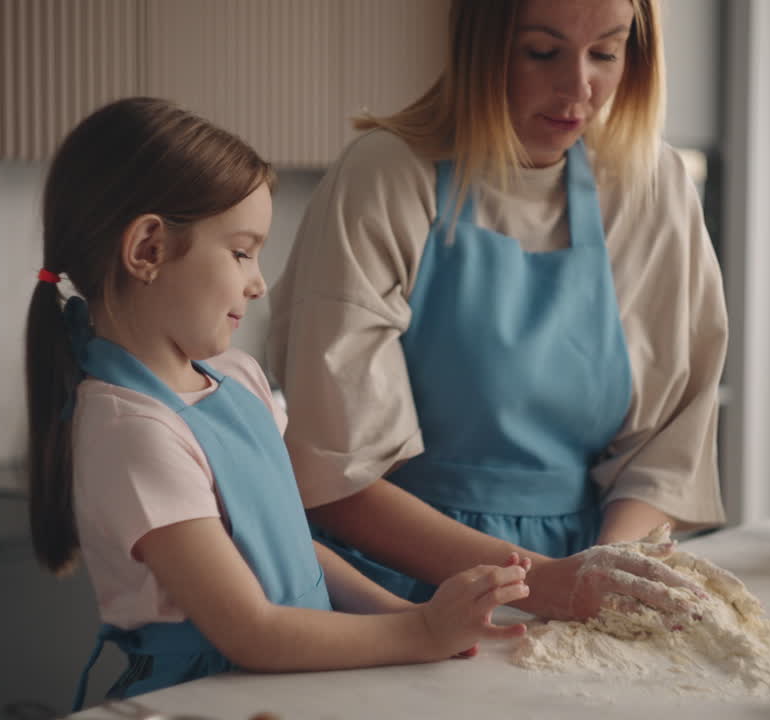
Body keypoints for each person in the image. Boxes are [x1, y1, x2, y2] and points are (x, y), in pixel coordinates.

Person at [23, 97, 533, 711]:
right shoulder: (131, 431)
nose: (258, 282)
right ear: (149, 249)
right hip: (207, 698)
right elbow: (251, 631)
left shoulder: (238, 378)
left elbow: (293, 547)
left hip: (298, 682)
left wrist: (417, 615)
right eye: (242, 251)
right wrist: (419, 633)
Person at [267, 0, 729, 621]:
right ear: (480, 47)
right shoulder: (386, 177)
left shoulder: (652, 186)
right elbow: (333, 478)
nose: (579, 88)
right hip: (390, 588)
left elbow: (666, 452)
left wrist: (605, 573)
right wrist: (543, 586)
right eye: (543, 52)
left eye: (606, 53)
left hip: (580, 570)